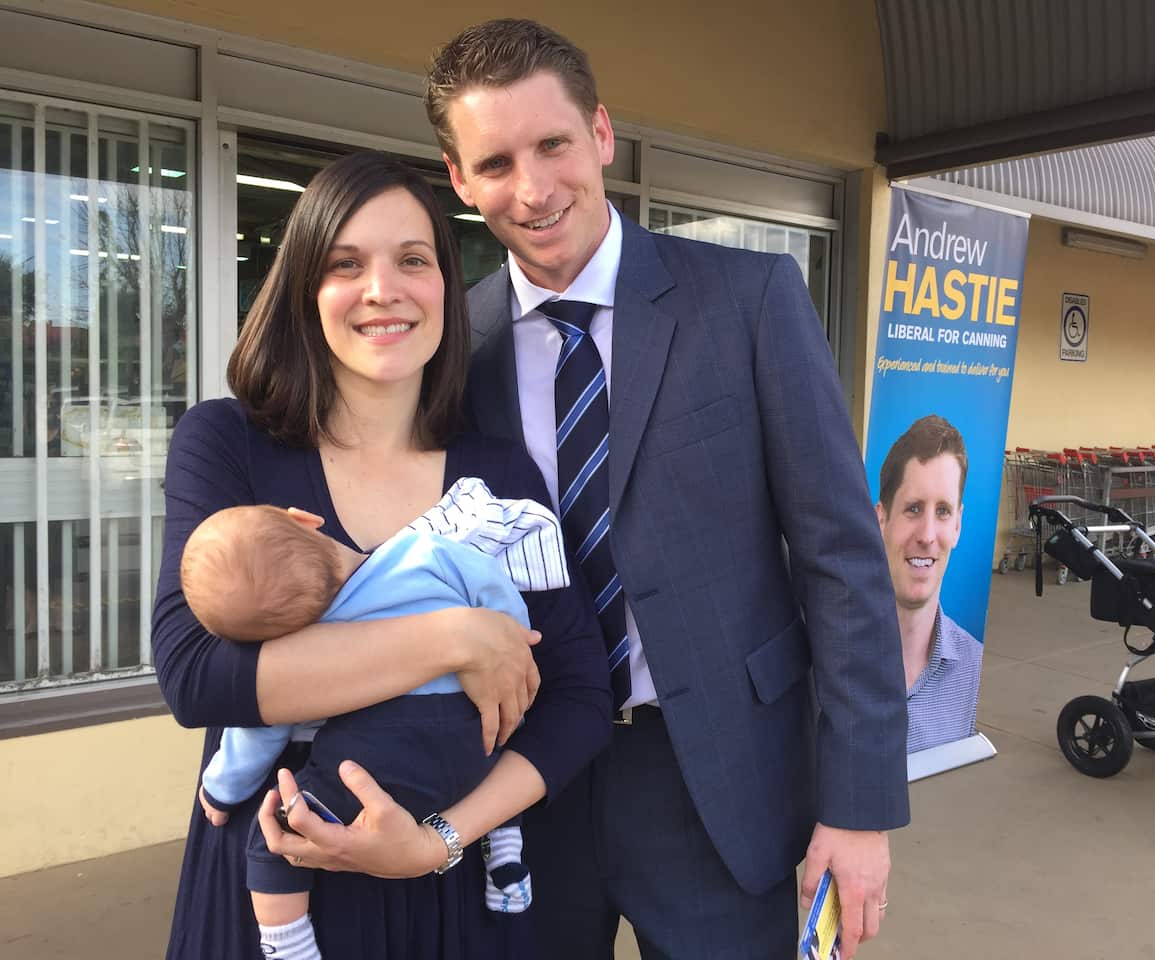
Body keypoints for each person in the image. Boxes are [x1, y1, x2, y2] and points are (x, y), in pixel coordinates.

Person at [420, 18, 907, 957]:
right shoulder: (450, 348)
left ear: (601, 133)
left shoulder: (750, 300)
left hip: (722, 780)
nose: (532, 189)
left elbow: (843, 562)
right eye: (495, 162)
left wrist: (859, 810)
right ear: (458, 177)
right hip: (522, 778)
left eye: (554, 144)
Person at [151, 149, 612, 960]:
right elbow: (197, 673)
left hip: (450, 895)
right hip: (272, 892)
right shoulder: (227, 446)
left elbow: (578, 696)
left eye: (413, 260)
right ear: (304, 291)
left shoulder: (498, 472)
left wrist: (439, 838)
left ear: (446, 287)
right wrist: (455, 640)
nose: (382, 290)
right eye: (345, 264)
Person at [184, 478, 568, 957]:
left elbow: (259, 732)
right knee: (499, 747)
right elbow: (495, 591)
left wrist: (221, 788)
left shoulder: (310, 644)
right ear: (305, 519)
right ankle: (505, 851)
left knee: (280, 838)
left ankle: (288, 943)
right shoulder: (427, 550)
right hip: (477, 737)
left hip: (382, 768)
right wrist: (511, 637)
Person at [875, 414, 984, 753]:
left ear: (958, 526)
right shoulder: (826, 661)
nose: (926, 536)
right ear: (881, 520)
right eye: (913, 509)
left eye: (942, 512)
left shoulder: (975, 669)